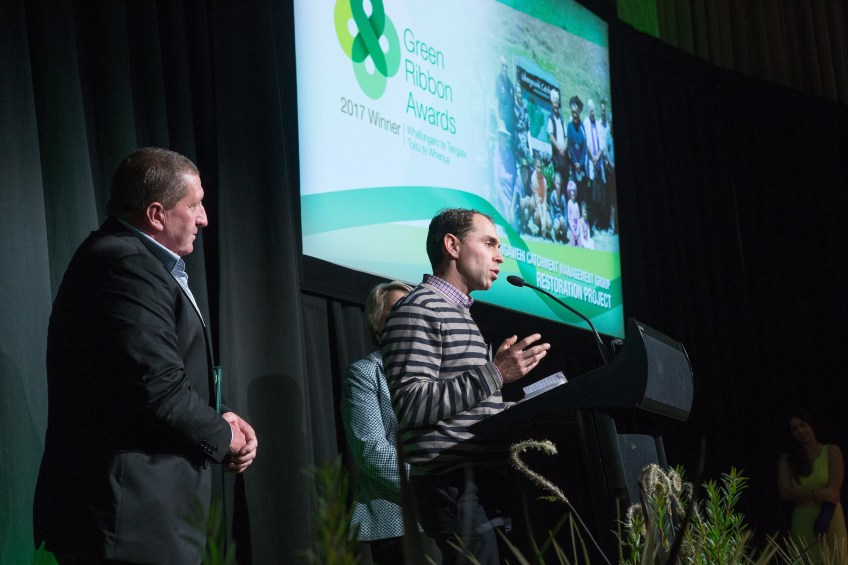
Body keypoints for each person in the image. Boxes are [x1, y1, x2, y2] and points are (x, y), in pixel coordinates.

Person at [33, 147, 258, 564]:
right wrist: (225, 437)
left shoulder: (135, 262)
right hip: (126, 521)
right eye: (194, 205)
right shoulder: (126, 263)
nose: (204, 218)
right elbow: (156, 387)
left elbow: (169, 371)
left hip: (142, 520)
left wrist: (222, 414)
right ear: (156, 215)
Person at [382, 208, 550, 564]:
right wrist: (495, 373)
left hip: (482, 482)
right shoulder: (418, 308)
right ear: (452, 246)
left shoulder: (460, 314)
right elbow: (411, 404)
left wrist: (522, 409)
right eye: (489, 243)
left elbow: (466, 411)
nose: (499, 256)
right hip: (452, 484)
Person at [342, 281, 438, 564]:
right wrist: (431, 484)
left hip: (451, 511)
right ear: (378, 325)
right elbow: (371, 451)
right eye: (400, 309)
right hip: (399, 520)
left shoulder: (439, 370)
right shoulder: (365, 373)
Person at [777, 408, 847, 560]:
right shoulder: (787, 460)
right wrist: (817, 493)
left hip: (829, 516)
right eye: (794, 429)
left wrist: (824, 519)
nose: (800, 431)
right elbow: (785, 492)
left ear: (810, 425)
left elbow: (833, 489)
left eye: (803, 425)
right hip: (803, 519)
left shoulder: (831, 451)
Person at [547, 88, 568, 184]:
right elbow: (551, 136)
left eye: (557, 103)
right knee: (558, 179)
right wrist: (559, 149)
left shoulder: (562, 119)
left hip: (564, 156)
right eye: (554, 103)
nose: (556, 105)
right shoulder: (550, 118)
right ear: (552, 103)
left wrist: (564, 148)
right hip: (557, 155)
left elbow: (566, 136)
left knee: (565, 178)